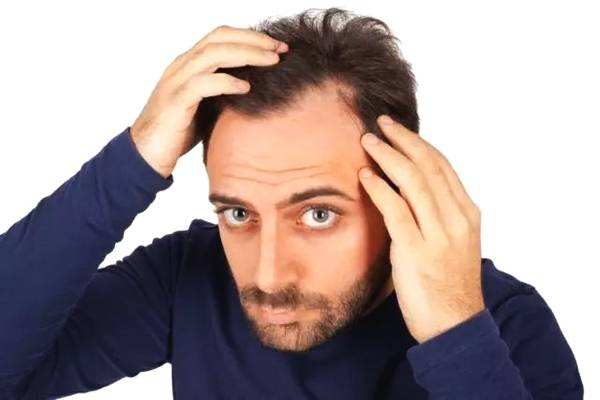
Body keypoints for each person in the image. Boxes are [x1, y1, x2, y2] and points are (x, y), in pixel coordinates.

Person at [0, 7, 583, 400]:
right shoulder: (188, 279)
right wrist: (135, 159)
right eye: (239, 214)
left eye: (318, 214)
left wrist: (456, 333)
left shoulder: (504, 327)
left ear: (402, 192)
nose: (268, 276)